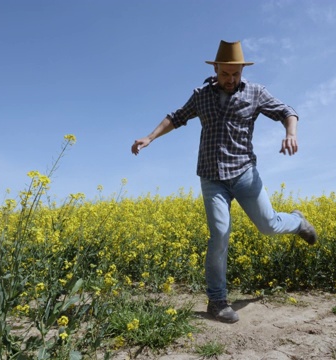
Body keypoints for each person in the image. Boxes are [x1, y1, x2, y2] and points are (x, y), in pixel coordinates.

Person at [131, 40, 317, 323]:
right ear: (216, 69)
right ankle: (217, 300)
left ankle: (297, 221)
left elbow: (286, 111)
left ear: (242, 71)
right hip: (211, 176)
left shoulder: (256, 93)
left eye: (236, 74)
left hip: (244, 172)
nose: (230, 80)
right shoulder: (201, 95)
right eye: (225, 74)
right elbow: (176, 117)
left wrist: (291, 133)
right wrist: (150, 137)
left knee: (268, 226)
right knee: (219, 234)